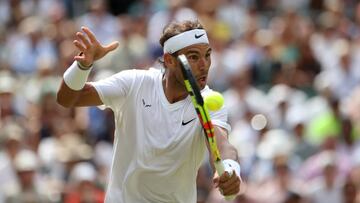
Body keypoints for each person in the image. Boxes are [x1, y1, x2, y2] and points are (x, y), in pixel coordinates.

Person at [57, 19, 242, 203]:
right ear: (169, 60)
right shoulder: (135, 84)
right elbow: (67, 98)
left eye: (207, 55)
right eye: (194, 57)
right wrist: (82, 66)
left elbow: (223, 145)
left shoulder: (210, 102)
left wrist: (230, 168)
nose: (204, 65)